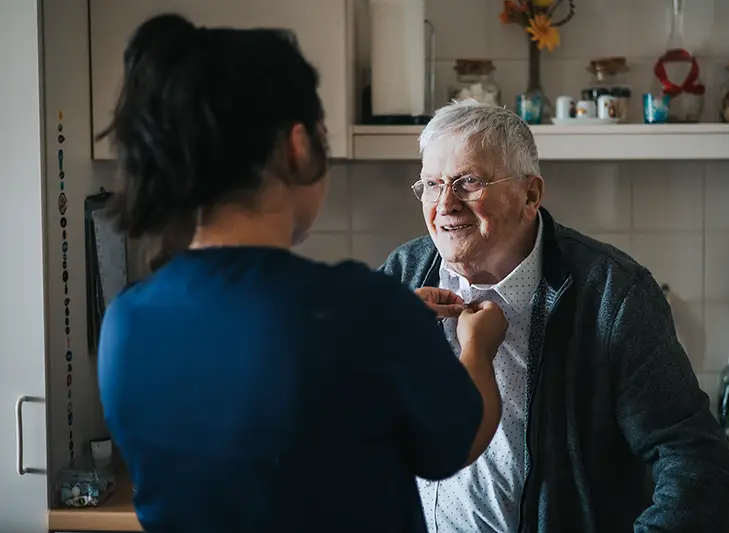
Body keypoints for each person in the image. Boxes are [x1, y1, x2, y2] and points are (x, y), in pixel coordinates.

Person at [96, 15, 508, 533]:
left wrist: (398, 330)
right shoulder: (360, 307)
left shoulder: (127, 321)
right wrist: (477, 349)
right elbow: (456, 441)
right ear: (297, 147)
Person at [379, 100, 729, 533]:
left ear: (530, 195)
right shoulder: (403, 274)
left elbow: (697, 462)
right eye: (432, 184)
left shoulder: (613, 294)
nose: (445, 204)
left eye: (468, 182)